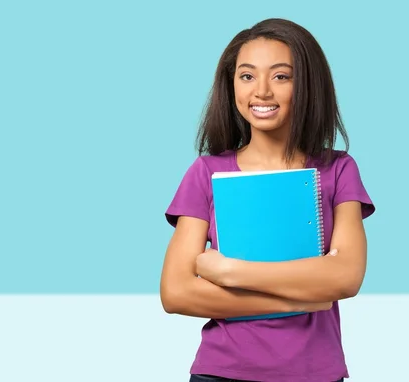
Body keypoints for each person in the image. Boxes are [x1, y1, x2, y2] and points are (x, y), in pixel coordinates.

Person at [160, 18, 375, 382]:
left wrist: (230, 272)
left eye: (281, 76)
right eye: (246, 76)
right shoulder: (206, 172)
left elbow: (346, 277)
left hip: (315, 373)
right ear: (231, 87)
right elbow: (176, 292)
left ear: (307, 85)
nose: (261, 91)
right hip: (221, 372)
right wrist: (302, 298)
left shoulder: (339, 169)